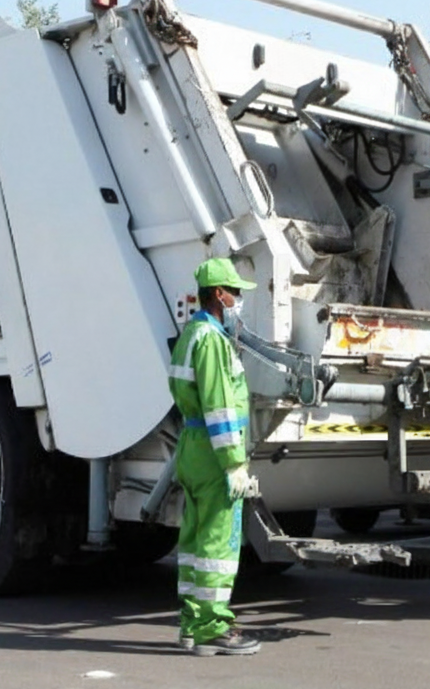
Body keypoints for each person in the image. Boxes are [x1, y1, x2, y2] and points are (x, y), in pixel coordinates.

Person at [168, 257, 260, 656]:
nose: (238, 298)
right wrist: (234, 463)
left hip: (192, 447)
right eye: (235, 291)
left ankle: (191, 623)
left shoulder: (190, 334)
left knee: (193, 541)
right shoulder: (211, 340)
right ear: (219, 294)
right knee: (218, 545)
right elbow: (220, 407)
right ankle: (212, 629)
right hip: (212, 453)